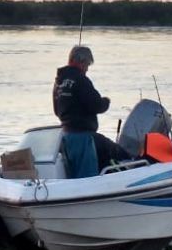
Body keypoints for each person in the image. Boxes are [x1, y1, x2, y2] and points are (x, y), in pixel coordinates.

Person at [53, 46, 129, 178]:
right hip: (82, 138)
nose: (87, 69)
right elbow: (96, 105)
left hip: (64, 137)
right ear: (81, 62)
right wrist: (106, 101)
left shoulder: (58, 82)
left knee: (72, 176)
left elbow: (56, 110)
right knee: (87, 177)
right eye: (87, 64)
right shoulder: (81, 80)